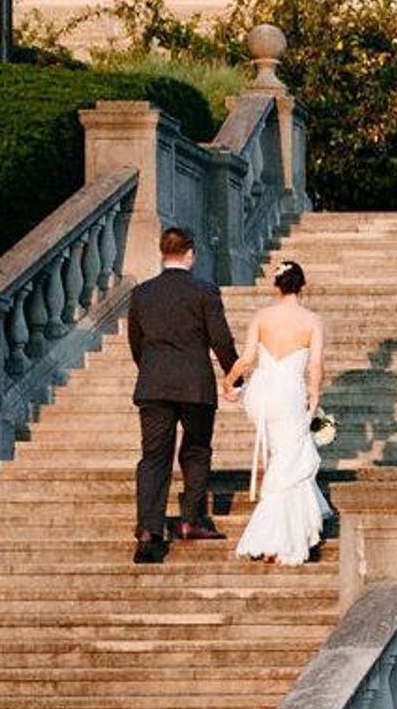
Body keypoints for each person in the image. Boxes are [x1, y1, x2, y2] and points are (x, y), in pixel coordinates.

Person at [124, 226, 236, 564]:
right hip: (195, 384)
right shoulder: (204, 291)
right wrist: (235, 375)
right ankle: (190, 520)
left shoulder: (142, 293)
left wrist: (151, 370)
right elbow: (221, 339)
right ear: (191, 253)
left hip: (154, 383)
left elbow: (136, 340)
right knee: (197, 450)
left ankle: (149, 529)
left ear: (163, 253)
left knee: (154, 456)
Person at [226, 261, 331, 566]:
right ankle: (281, 538)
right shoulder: (311, 320)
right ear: (302, 285)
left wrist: (228, 381)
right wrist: (314, 393)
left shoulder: (262, 316)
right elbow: (315, 365)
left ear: (277, 285)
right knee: (290, 460)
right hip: (289, 394)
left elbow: (247, 359)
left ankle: (279, 535)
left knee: (283, 458)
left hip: (263, 394)